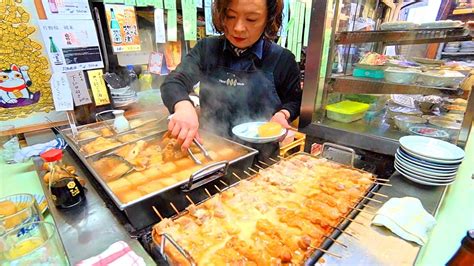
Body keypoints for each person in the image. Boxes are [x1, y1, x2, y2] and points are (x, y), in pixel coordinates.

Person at [160, 0, 302, 159]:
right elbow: (174, 82)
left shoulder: (282, 59)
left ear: (269, 19)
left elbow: (295, 100)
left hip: (262, 157)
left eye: (251, 19)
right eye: (230, 16)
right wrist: (183, 106)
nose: (238, 27)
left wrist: (283, 114)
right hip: (210, 153)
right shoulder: (206, 49)